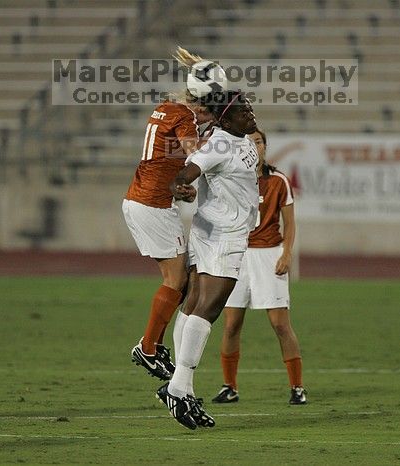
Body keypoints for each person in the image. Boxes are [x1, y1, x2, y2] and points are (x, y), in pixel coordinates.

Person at [157, 90, 260, 430]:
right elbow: (185, 174)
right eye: (243, 111)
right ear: (226, 119)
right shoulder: (219, 143)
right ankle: (179, 387)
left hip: (211, 228)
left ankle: (181, 387)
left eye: (249, 107)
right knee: (210, 308)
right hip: (222, 235)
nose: (251, 113)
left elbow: (221, 97)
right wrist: (180, 188)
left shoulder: (238, 135)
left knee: (195, 303)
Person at [123, 48, 217, 381]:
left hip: (147, 201)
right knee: (177, 281)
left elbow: (175, 159)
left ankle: (153, 345)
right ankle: (148, 348)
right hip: (152, 205)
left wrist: (183, 186)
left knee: (181, 281)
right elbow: (196, 157)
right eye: (212, 114)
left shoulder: (168, 109)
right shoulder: (185, 117)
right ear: (203, 106)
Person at [210, 129, 307, 405]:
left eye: (259, 142)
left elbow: (290, 223)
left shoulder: (278, 182)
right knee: (230, 324)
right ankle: (229, 386)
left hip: (268, 255)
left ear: (265, 147)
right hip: (237, 255)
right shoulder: (229, 178)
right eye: (249, 142)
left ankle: (297, 387)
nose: (255, 146)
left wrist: (287, 254)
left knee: (279, 323)